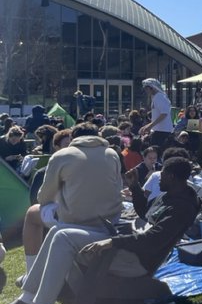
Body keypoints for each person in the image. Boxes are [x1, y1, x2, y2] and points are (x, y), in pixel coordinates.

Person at [0, 157, 199, 304]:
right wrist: (135, 187)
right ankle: (29, 298)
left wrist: (112, 241)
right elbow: (146, 214)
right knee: (57, 231)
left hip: (136, 260)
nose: (158, 177)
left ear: (172, 177)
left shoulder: (181, 207)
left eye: (162, 174)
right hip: (127, 245)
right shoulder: (170, 196)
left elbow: (153, 239)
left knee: (63, 237)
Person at [16, 122, 123, 288]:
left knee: (32, 214)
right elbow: (118, 187)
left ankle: (31, 275)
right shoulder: (112, 154)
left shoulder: (62, 157)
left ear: (73, 139)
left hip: (76, 221)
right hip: (109, 221)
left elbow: (43, 198)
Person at [140, 79, 174, 150]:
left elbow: (164, 114)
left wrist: (150, 126)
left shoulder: (159, 97)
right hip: (160, 131)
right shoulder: (157, 97)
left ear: (152, 88)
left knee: (157, 153)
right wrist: (147, 126)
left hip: (162, 132)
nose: (146, 91)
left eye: (147, 88)